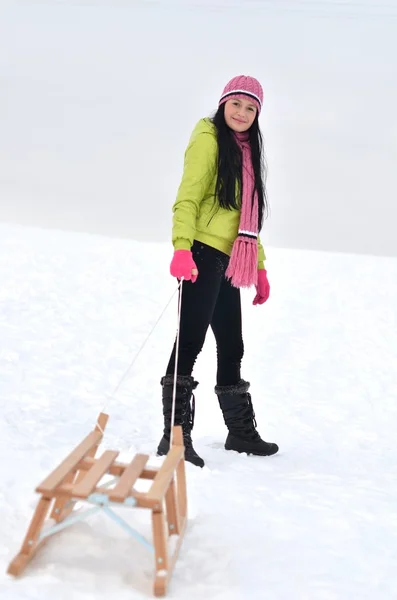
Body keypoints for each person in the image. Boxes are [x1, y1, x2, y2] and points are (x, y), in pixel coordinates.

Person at [156, 75, 279, 468]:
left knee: (233, 346)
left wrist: (258, 267)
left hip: (231, 258)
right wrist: (181, 249)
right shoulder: (208, 137)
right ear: (224, 103)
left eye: (250, 108)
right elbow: (187, 196)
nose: (242, 114)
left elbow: (249, 219)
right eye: (236, 104)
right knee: (190, 343)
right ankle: (174, 438)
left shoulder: (247, 151)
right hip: (202, 252)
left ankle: (239, 432)